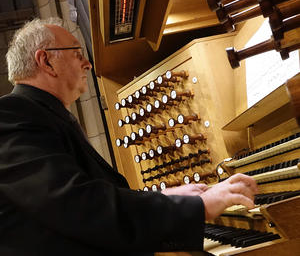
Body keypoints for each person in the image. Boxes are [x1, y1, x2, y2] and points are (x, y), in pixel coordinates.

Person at [0, 18, 258, 256]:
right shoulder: (11, 115)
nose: (88, 64)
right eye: (78, 54)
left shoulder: (42, 115)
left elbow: (90, 194)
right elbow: (77, 205)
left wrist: (167, 196)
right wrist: (197, 207)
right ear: (46, 62)